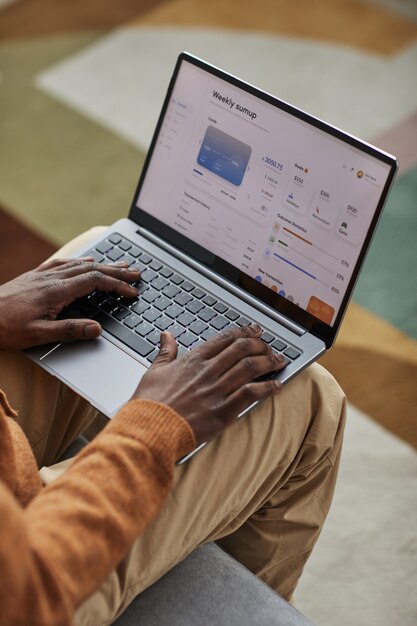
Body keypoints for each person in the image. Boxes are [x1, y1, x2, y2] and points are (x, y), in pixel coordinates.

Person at [0, 228, 346, 626]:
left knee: (95, 256)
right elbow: (25, 596)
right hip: (31, 565)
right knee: (308, 394)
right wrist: (151, 428)